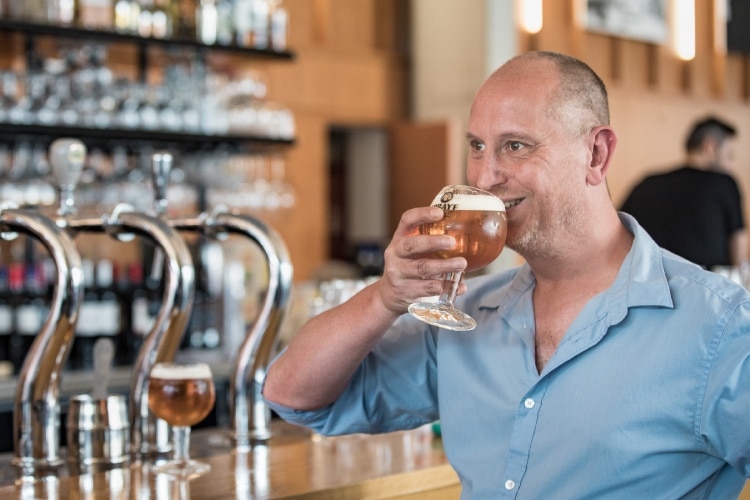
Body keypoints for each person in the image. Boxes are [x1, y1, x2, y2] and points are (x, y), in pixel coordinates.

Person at [263, 51, 750, 498]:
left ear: (596, 155)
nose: (485, 176)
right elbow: (294, 396)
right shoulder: (468, 315)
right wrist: (386, 297)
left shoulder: (718, 328)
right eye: (478, 145)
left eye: (515, 146)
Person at [620, 116, 748, 269]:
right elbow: (738, 256)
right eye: (729, 155)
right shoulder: (725, 183)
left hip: (645, 284)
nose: (731, 165)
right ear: (710, 146)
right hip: (706, 286)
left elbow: (619, 233)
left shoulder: (647, 183)